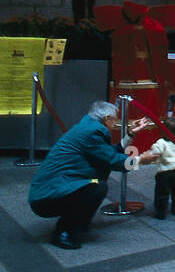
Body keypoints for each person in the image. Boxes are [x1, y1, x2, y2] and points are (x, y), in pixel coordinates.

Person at [28, 101, 145, 250]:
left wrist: (131, 134)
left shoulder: (87, 127)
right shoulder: (92, 132)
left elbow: (107, 152)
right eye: (114, 119)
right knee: (96, 188)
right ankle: (64, 231)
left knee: (95, 186)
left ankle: (77, 223)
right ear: (107, 119)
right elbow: (113, 160)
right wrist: (141, 160)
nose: (116, 122)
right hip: (46, 197)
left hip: (50, 189)